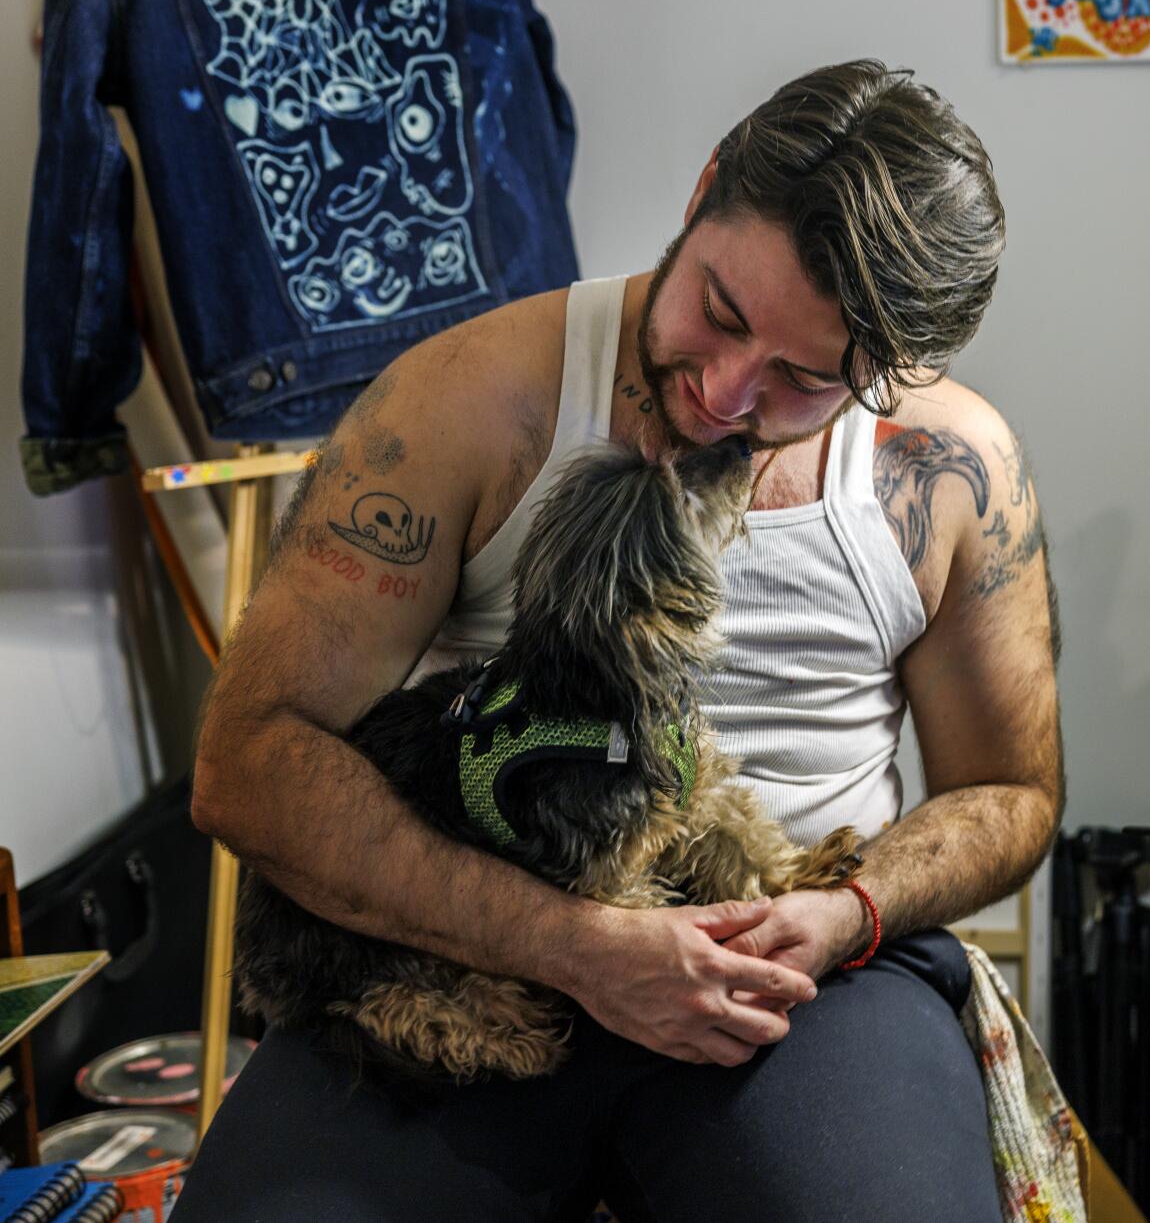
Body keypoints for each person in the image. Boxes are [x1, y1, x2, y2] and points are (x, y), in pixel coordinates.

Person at [178, 59, 1061, 1221]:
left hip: (797, 968)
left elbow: (1009, 791)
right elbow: (246, 764)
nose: (724, 392)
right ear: (701, 193)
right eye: (721, 311)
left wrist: (845, 913)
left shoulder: (949, 469)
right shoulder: (465, 402)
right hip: (471, 940)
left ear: (891, 372)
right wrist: (581, 947)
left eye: (803, 377)